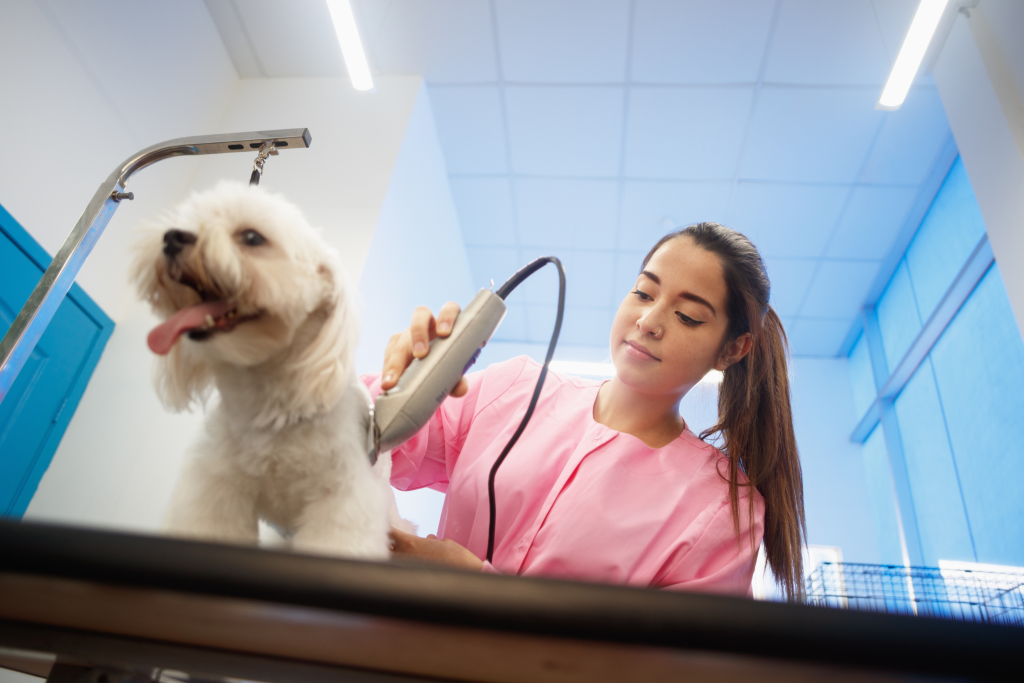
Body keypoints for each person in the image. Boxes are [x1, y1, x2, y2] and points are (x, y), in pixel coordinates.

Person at [362, 222, 806, 598]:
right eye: (644, 293)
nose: (649, 322)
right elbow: (358, 443)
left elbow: (658, 666)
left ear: (732, 349)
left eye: (688, 316)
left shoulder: (721, 509)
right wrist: (401, 383)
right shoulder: (511, 389)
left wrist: (475, 585)